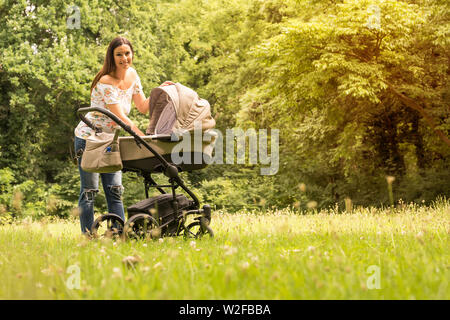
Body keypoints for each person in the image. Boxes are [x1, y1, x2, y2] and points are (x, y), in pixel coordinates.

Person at [74, 36, 170, 234]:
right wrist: (142, 139)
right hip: (90, 138)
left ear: (132, 54)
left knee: (115, 191)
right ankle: (87, 236)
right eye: (119, 54)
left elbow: (143, 107)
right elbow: (120, 117)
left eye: (127, 53)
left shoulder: (132, 75)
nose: (124, 58)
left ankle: (119, 235)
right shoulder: (106, 81)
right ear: (112, 56)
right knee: (89, 192)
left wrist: (160, 91)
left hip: (112, 140)